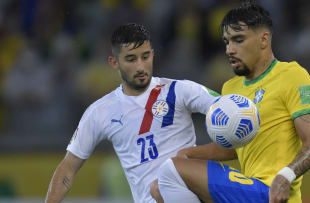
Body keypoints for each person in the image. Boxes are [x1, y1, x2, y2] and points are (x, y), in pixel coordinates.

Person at [151, 1, 310, 203]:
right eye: (226, 42)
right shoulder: (230, 89)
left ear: (264, 40)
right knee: (158, 188)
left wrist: (285, 177)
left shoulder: (292, 75)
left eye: (238, 40)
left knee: (171, 169)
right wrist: (188, 153)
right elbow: (233, 145)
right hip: (248, 189)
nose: (229, 50)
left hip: (272, 193)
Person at [45, 23, 219, 203]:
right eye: (131, 59)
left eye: (145, 57)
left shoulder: (181, 90)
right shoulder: (99, 112)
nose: (140, 67)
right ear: (114, 62)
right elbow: (67, 168)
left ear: (152, 54)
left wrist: (197, 154)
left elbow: (231, 113)